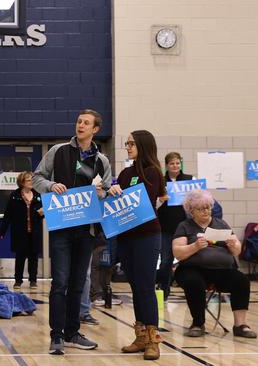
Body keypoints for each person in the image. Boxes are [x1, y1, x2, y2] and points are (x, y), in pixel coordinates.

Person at [33, 109, 111, 355]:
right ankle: (56, 336)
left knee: (78, 284)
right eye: (79, 121)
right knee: (60, 283)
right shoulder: (58, 151)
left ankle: (72, 332)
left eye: (86, 123)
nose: (81, 125)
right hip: (62, 228)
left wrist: (103, 193)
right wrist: (50, 185)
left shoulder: (102, 160)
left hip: (86, 230)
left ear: (95, 129)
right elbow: (37, 178)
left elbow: (107, 191)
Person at [108, 130, 166, 360]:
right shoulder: (125, 172)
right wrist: (107, 192)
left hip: (147, 236)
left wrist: (119, 194)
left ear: (143, 145)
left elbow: (143, 199)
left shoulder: (153, 172)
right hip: (125, 236)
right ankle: (140, 336)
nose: (128, 147)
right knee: (134, 286)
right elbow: (117, 200)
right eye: (126, 143)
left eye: (132, 143)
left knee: (145, 286)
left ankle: (153, 340)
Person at [173, 189, 256, 338]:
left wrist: (233, 245)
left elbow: (237, 251)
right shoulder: (184, 226)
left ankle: (240, 325)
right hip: (192, 269)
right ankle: (198, 323)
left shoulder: (221, 224)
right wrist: (195, 246)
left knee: (242, 281)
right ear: (191, 211)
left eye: (208, 207)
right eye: (201, 208)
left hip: (222, 270)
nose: (206, 211)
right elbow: (177, 252)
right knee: (193, 282)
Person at [0, 171, 43, 289]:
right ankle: (18, 280)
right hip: (20, 232)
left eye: (32, 179)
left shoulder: (38, 195)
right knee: (20, 256)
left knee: (34, 257)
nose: (31, 182)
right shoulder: (14, 196)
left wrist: (42, 213)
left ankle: (33, 280)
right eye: (29, 180)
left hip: (35, 232)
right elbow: (8, 215)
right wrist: (1, 232)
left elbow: (42, 214)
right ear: (22, 182)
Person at [156, 152, 192, 300]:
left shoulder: (189, 180)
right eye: (172, 163)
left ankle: (191, 290)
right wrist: (161, 200)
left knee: (189, 261)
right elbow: (154, 205)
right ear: (166, 165)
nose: (175, 166)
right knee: (165, 262)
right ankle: (164, 290)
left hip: (185, 229)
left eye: (177, 163)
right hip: (165, 228)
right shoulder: (160, 181)